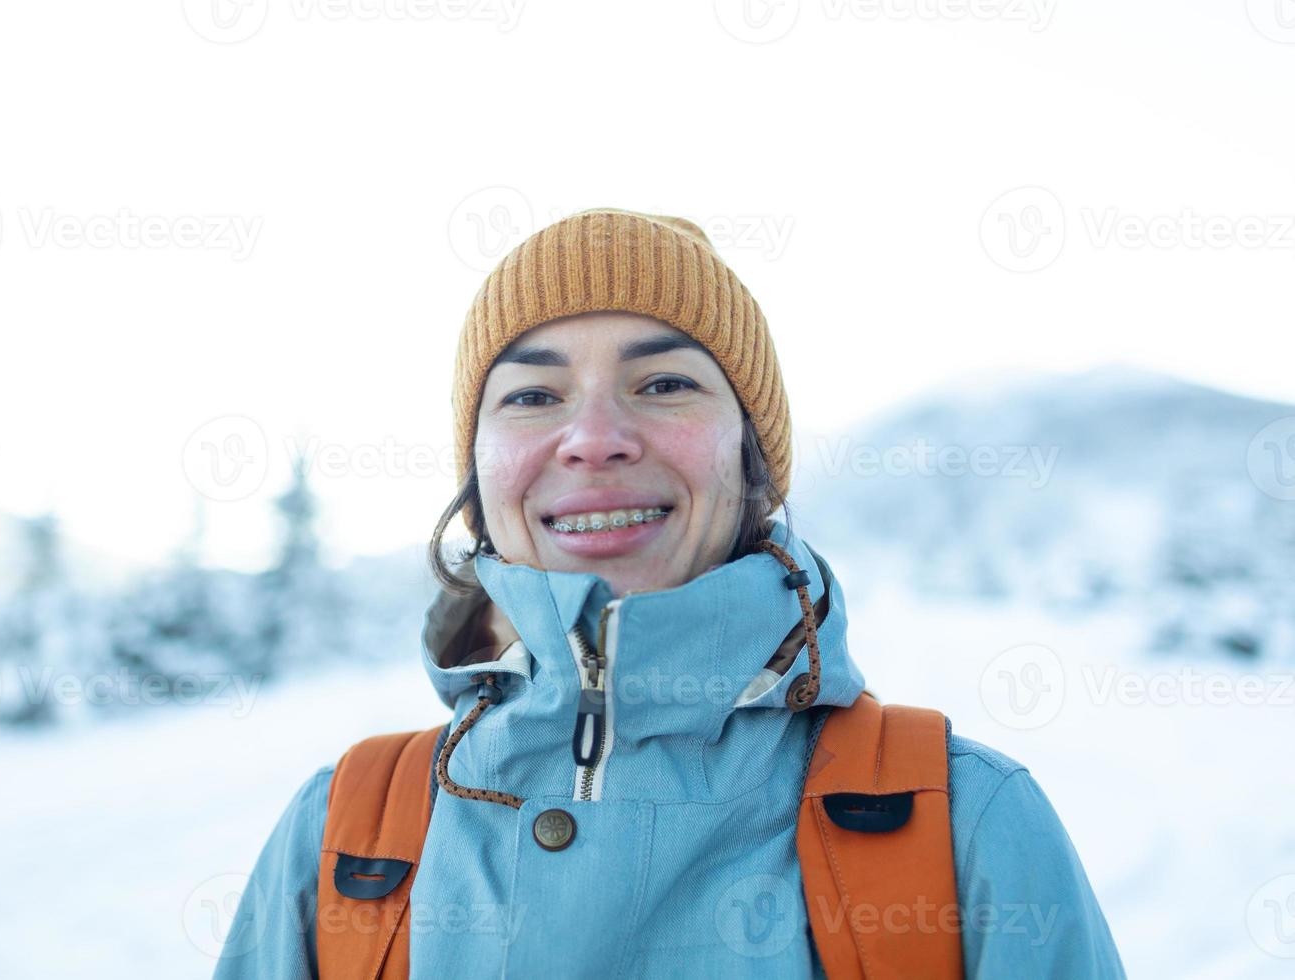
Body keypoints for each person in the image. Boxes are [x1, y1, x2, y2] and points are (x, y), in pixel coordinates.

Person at [213, 208, 1126, 978]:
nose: (595, 437)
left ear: (752, 456)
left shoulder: (956, 822)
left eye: (663, 384)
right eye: (532, 396)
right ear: (479, 469)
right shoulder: (347, 836)